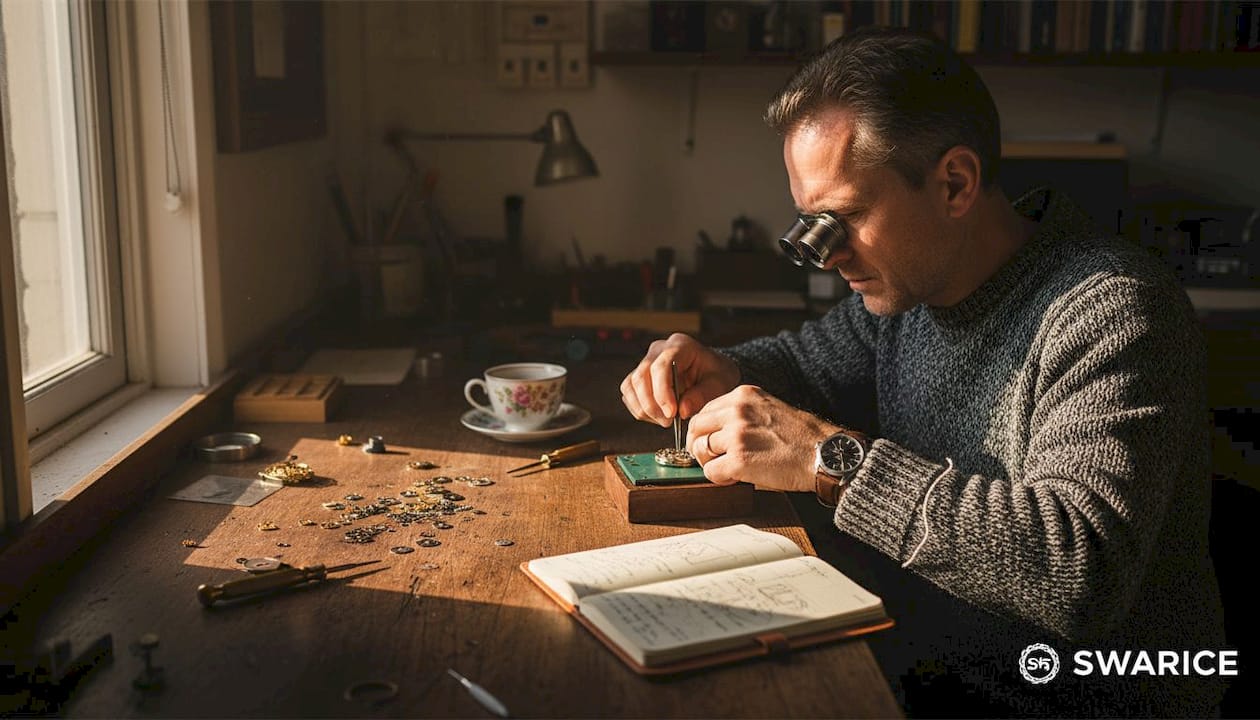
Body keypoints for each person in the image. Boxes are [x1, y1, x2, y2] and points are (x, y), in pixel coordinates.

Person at [620, 27, 1227, 718]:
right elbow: (803, 367)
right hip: (915, 669)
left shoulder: (1113, 310)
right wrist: (719, 371)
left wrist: (829, 460)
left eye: (844, 216)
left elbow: (1075, 570)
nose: (826, 254)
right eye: (811, 222)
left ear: (955, 183)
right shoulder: (904, 292)